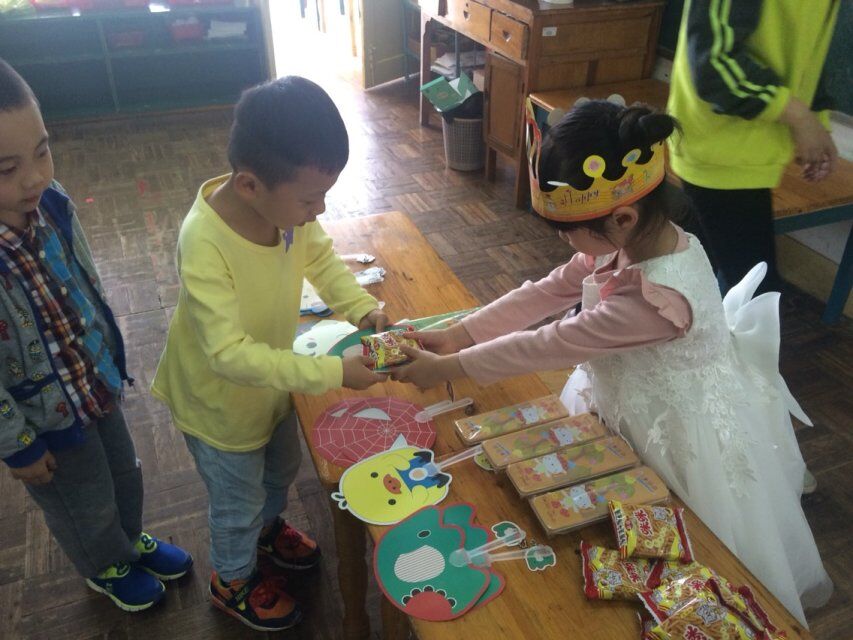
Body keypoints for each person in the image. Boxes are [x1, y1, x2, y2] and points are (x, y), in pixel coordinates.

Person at [391, 98, 832, 626]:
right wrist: (458, 333)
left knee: (690, 550)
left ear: (622, 217)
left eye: (567, 230)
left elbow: (551, 343)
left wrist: (448, 367)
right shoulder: (638, 234)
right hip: (632, 395)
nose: (564, 242)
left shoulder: (657, 300)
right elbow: (550, 289)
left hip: (676, 431)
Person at [151, 76, 389, 632]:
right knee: (235, 503)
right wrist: (334, 372)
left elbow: (322, 260)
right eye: (309, 199)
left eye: (324, 195)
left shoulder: (287, 215)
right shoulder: (203, 240)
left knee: (279, 469)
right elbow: (228, 355)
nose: (319, 209)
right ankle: (232, 580)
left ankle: (267, 527)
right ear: (250, 185)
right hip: (220, 407)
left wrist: (362, 310)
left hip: (273, 386)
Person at [0, 59, 192, 612]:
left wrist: (108, 354)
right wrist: (16, 446)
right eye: (6, 168)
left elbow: (84, 284)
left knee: (124, 474)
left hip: (93, 381)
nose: (34, 178)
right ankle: (103, 563)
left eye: (42, 151)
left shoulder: (52, 202)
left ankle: (128, 539)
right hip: (44, 420)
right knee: (81, 499)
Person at [667, 0, 840, 295]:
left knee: (721, 282)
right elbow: (712, 64)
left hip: (752, 146)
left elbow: (807, 48)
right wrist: (801, 117)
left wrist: (817, 121)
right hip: (719, 148)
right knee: (756, 295)